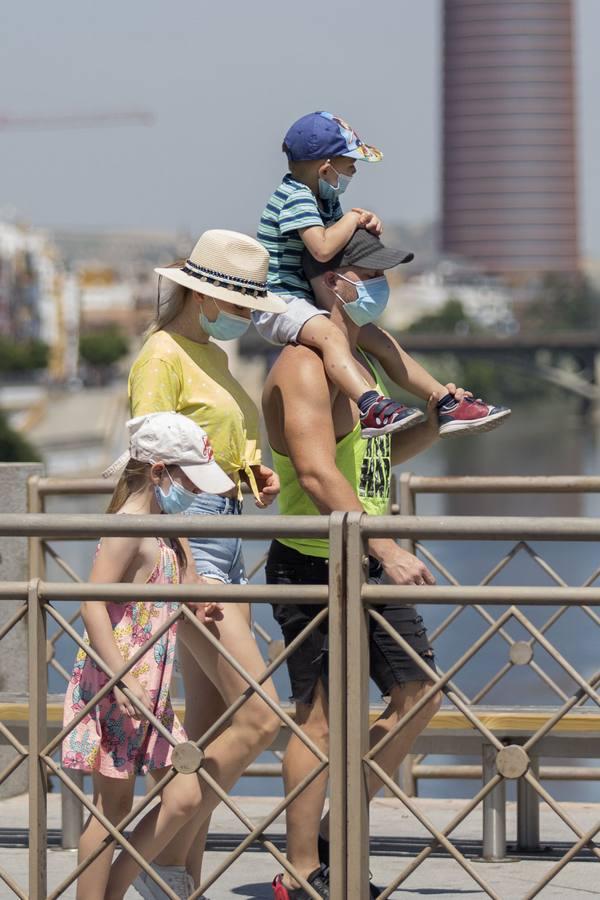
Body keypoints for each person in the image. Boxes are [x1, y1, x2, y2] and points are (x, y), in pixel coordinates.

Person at [262, 231, 466, 899]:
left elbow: (375, 457)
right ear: (327, 283)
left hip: (367, 558)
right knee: (318, 718)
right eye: (367, 274)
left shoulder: (362, 361)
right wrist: (384, 545)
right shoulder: (303, 366)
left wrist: (436, 420)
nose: (381, 288)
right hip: (317, 561)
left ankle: (333, 830)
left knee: (419, 693)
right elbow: (319, 474)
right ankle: (298, 870)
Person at [126, 229, 286, 897]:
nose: (248, 314)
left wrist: (254, 476)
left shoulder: (210, 354)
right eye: (239, 301)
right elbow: (151, 465)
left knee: (210, 723)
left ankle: (174, 874)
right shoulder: (161, 355)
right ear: (202, 294)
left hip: (225, 533)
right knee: (261, 718)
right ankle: (132, 854)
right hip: (191, 546)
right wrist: (185, 567)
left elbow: (212, 453)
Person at [63, 412, 279, 900]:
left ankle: (123, 883)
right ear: (159, 473)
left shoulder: (168, 524)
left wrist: (198, 595)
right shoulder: (129, 527)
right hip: (119, 684)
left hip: (153, 692)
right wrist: (121, 677)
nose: (197, 494)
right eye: (188, 480)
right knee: (112, 809)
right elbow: (91, 601)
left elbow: (185, 577)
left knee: (182, 792)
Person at [256, 110, 510, 440]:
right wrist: (354, 219)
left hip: (306, 296)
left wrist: (360, 223)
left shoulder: (324, 198)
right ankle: (369, 405)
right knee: (333, 338)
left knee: (383, 343)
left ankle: (444, 402)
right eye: (350, 164)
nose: (354, 171)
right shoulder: (296, 197)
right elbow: (321, 248)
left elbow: (339, 243)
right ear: (325, 168)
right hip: (281, 301)